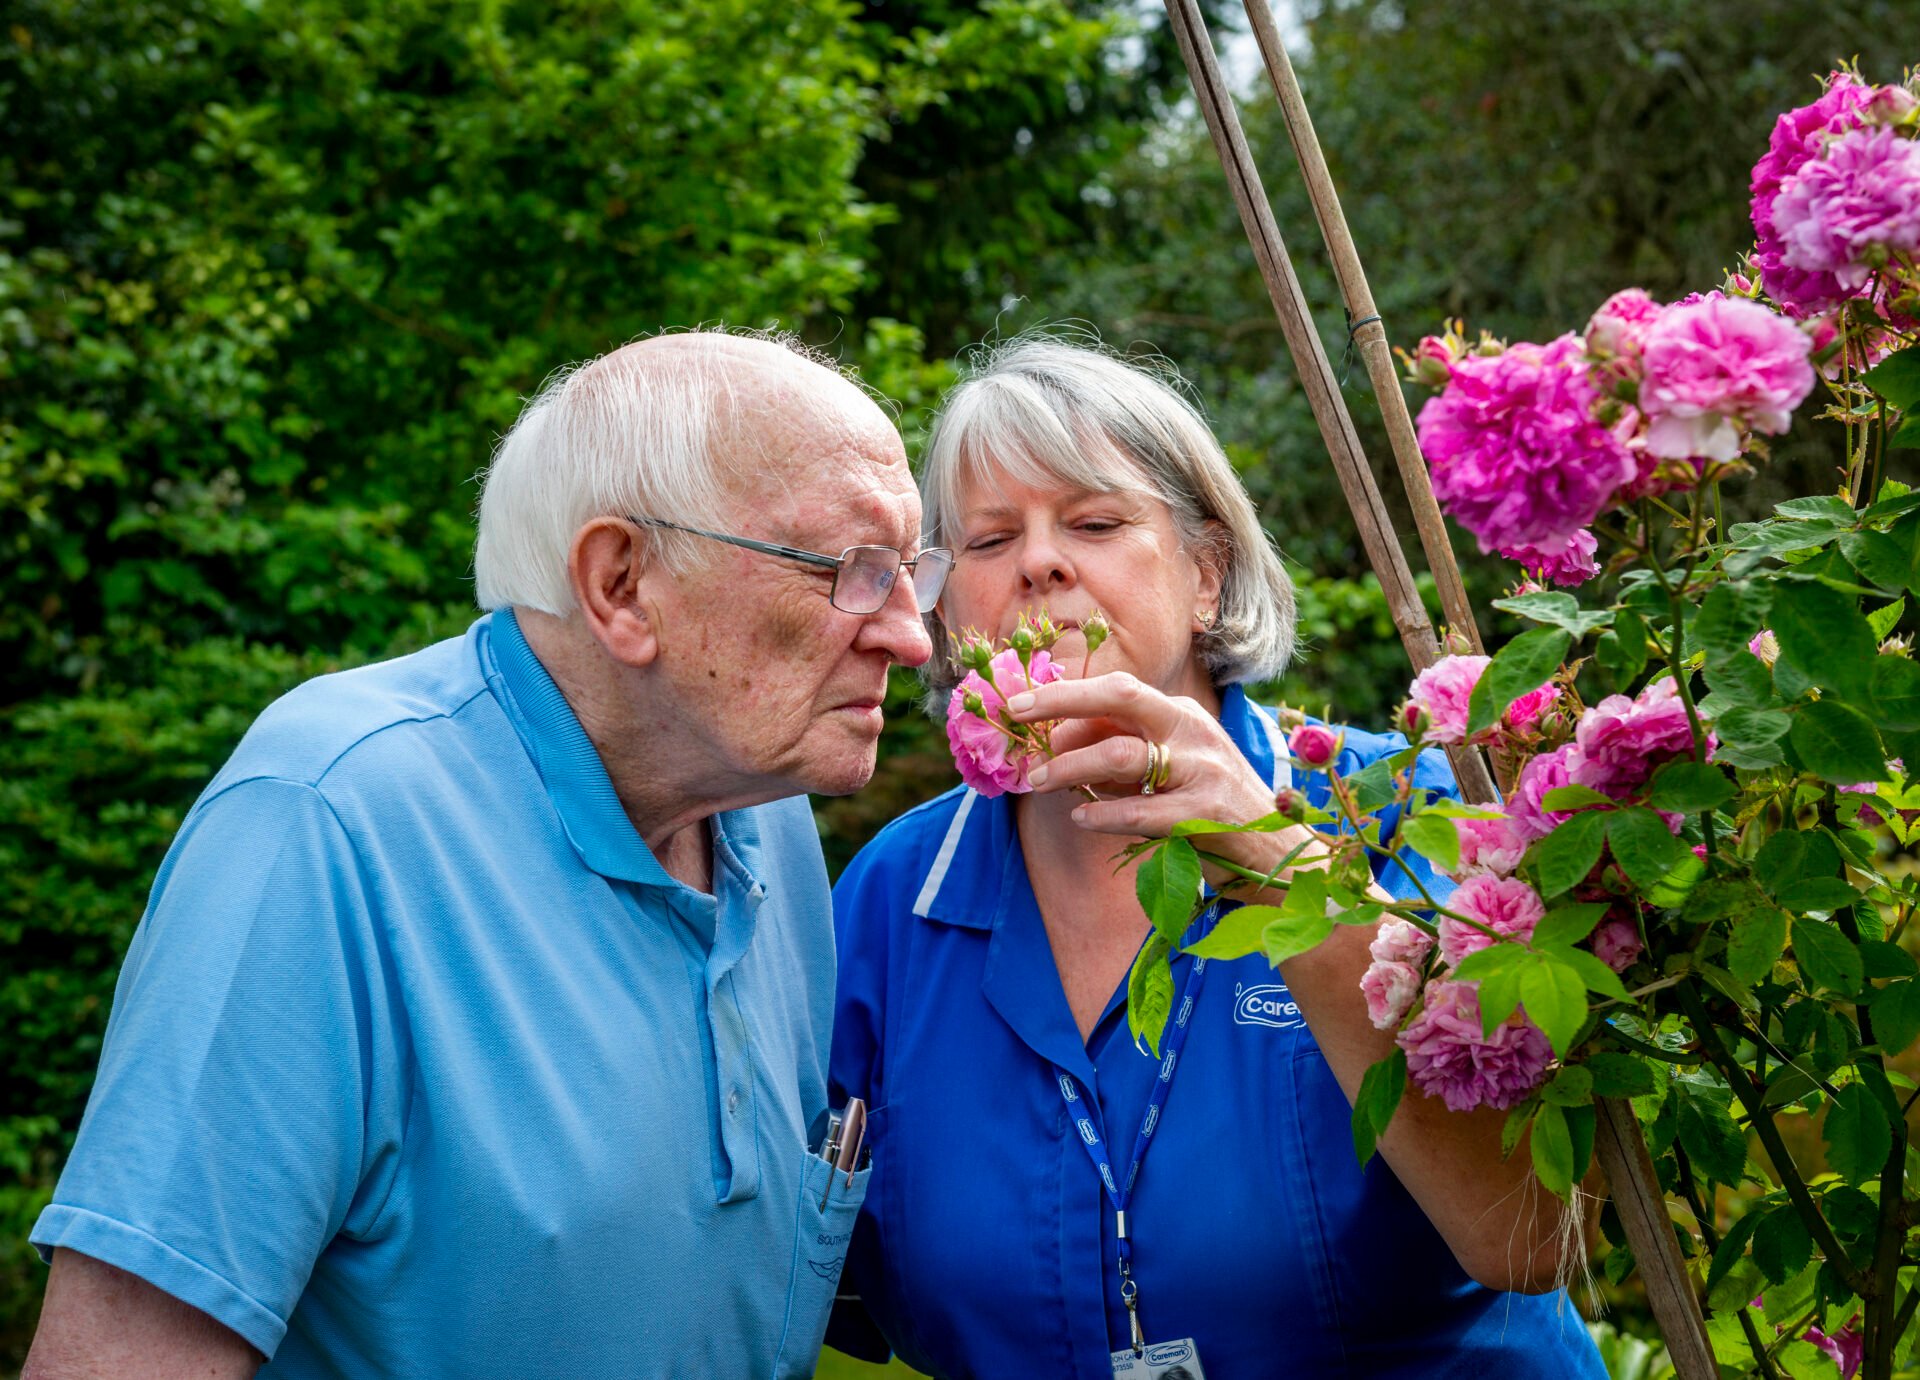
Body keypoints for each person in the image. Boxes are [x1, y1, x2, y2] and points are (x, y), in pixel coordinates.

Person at [23, 332, 946, 1379]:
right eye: (849, 572)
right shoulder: (323, 826)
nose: (912, 637)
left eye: (910, 573)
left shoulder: (761, 812)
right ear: (621, 584)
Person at [827, 335, 1607, 1378]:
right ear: (946, 608)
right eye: (989, 539)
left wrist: (1281, 865)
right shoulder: (890, 899)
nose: (1040, 562)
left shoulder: (1410, 810)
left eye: (1095, 523)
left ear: (1207, 574)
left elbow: (1530, 1237)